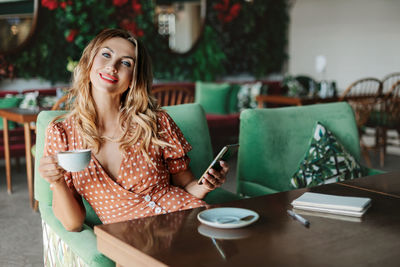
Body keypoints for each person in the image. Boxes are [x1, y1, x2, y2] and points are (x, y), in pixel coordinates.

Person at [38, 28, 228, 231]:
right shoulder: (62, 133)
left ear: (133, 79)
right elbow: (73, 224)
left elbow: (187, 186)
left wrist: (205, 185)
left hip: (189, 217)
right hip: (132, 239)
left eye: (126, 62)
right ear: (89, 61)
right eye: (106, 55)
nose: (112, 66)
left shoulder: (156, 122)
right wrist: (56, 182)